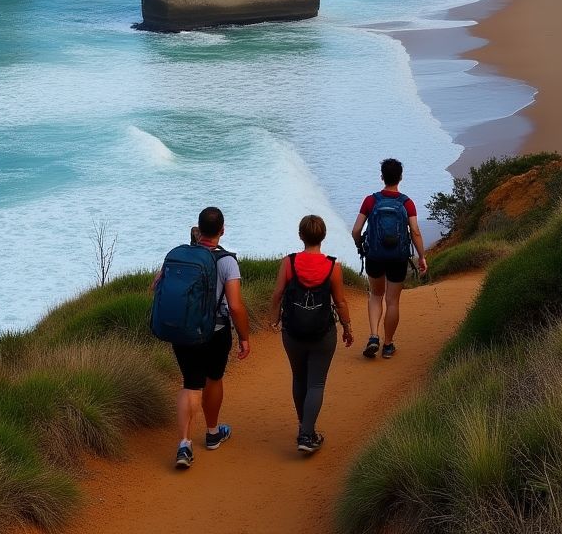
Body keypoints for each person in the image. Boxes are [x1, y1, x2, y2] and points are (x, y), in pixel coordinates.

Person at [167, 206, 251, 470]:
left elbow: (159, 286)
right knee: (213, 378)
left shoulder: (179, 255)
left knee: (191, 384)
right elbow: (235, 306)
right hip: (215, 332)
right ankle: (213, 433)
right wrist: (245, 337)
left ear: (199, 229)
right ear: (222, 231)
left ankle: (184, 444)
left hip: (183, 331)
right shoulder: (226, 261)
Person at [268, 214, 353, 454]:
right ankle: (307, 434)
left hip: (293, 332)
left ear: (300, 236)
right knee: (316, 383)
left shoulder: (289, 263)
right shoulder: (333, 267)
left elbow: (277, 295)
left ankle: (303, 426)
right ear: (323, 236)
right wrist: (347, 327)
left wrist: (274, 319)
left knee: (299, 378)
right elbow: (340, 302)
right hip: (323, 333)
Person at [351, 158, 428, 360]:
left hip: (375, 256)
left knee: (376, 295)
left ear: (382, 177)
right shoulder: (407, 203)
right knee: (392, 301)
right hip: (398, 258)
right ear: (400, 177)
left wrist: (360, 246)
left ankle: (373, 336)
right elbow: (415, 232)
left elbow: (356, 230)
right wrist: (421, 257)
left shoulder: (370, 201)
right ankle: (387, 345)